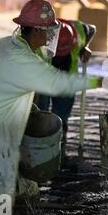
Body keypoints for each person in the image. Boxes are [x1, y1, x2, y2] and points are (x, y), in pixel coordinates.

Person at [0, 0, 93, 215]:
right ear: (36, 30)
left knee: (21, 189)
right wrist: (101, 80)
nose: (49, 37)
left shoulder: (3, 45)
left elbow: (4, 80)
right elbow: (58, 84)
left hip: (8, 129)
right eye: (47, 32)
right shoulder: (24, 59)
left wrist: (28, 106)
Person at [36, 18, 97, 166]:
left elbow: (92, 28)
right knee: (40, 115)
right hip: (43, 78)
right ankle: (39, 152)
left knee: (61, 117)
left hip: (67, 78)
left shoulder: (80, 30)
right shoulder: (40, 39)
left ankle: (59, 152)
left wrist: (85, 48)